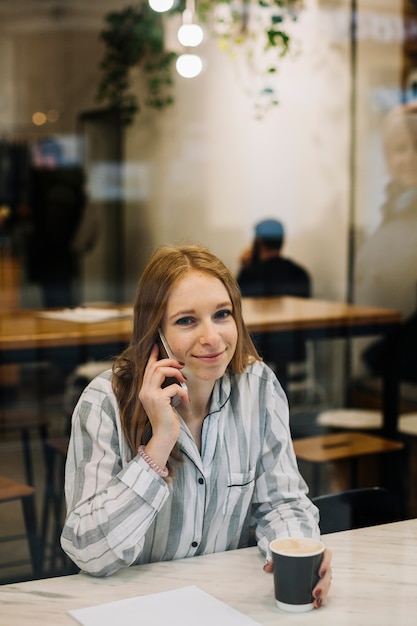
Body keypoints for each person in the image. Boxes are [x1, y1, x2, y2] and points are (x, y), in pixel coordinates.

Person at [61, 244, 332, 608]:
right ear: (154, 332)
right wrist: (159, 445)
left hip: (227, 604)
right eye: (186, 320)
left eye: (222, 314)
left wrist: (298, 551)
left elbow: (282, 503)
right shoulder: (103, 404)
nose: (212, 338)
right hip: (133, 607)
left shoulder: (258, 387)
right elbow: (88, 551)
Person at [237, 218, 311, 382]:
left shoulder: (249, 275)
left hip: (258, 357)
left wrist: (245, 267)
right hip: (295, 355)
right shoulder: (299, 273)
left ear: (258, 241)